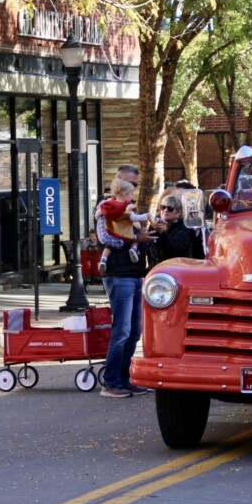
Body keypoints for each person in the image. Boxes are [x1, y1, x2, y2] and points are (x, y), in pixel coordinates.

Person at [98, 164, 153, 398]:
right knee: (122, 330)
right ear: (118, 181)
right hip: (118, 274)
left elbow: (136, 228)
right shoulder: (106, 206)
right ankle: (111, 382)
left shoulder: (128, 206)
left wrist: (147, 236)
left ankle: (123, 378)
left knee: (134, 331)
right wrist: (133, 239)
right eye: (129, 183)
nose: (133, 188)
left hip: (134, 273)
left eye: (135, 185)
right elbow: (103, 237)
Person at [97, 178, 150, 273]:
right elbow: (134, 218)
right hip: (125, 230)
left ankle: (103, 259)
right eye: (131, 194)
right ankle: (133, 249)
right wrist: (146, 216)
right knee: (136, 236)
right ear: (125, 194)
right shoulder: (127, 206)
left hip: (113, 230)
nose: (132, 196)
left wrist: (97, 215)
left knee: (108, 246)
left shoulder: (108, 203)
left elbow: (99, 212)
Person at [153, 193, 193, 262]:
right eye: (163, 207)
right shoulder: (156, 224)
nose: (165, 210)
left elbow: (174, 253)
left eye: (170, 208)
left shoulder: (183, 230)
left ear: (179, 212)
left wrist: (162, 233)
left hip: (175, 268)